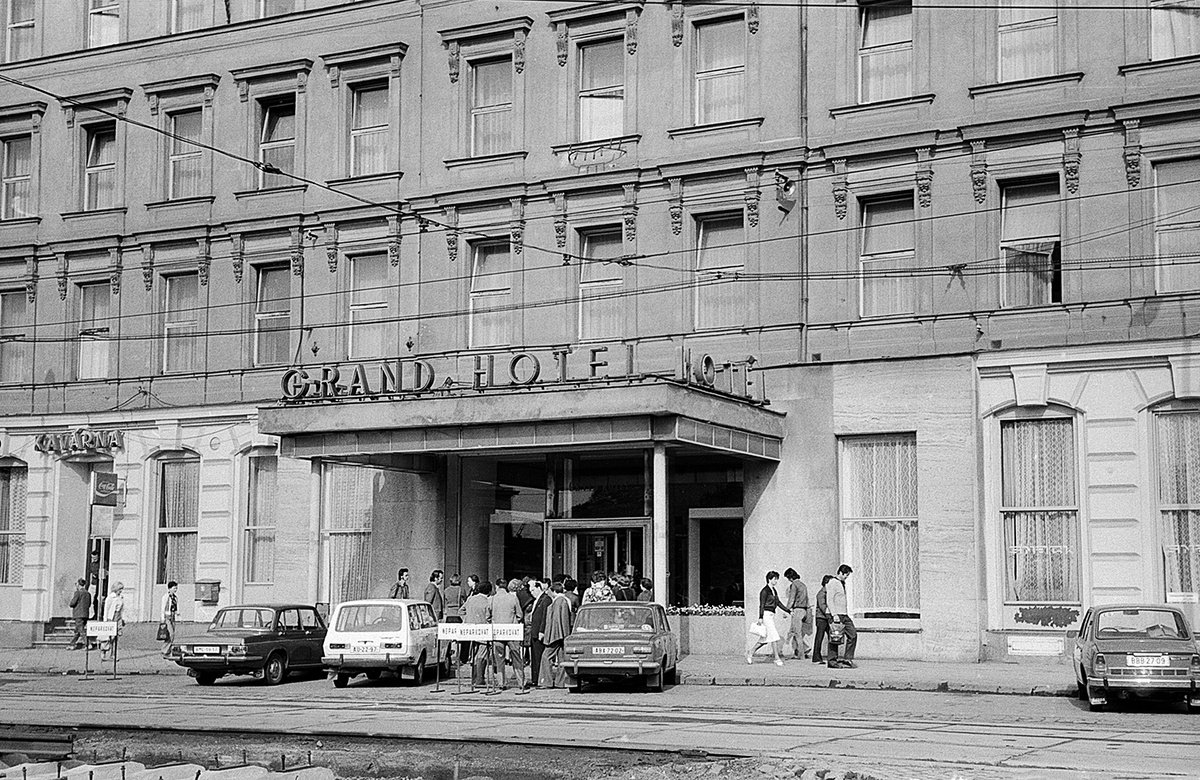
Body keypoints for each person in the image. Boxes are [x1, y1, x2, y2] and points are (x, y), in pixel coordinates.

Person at [746, 570, 788, 666]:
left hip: (771, 615)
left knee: (764, 640)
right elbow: (762, 604)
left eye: (777, 579)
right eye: (774, 579)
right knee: (774, 636)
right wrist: (760, 617)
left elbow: (778, 602)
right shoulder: (764, 591)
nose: (776, 581)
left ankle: (751, 652)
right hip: (766, 615)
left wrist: (788, 611)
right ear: (769, 579)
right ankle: (777, 658)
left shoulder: (774, 590)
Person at [491, 578, 527, 689]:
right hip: (512, 631)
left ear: (496, 586)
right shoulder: (513, 598)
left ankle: (501, 683)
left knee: (499, 659)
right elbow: (520, 614)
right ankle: (521, 682)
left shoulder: (492, 599)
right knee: (516, 657)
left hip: (497, 632)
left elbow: (488, 616)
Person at [539, 581, 573, 688]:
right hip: (560, 634)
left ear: (554, 591)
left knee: (546, 657)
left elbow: (557, 620)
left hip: (556, 635)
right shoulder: (563, 601)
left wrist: (553, 635)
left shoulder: (559, 601)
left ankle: (546, 681)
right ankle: (561, 682)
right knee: (562, 658)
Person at [826, 564, 857, 668]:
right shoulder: (833, 582)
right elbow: (829, 600)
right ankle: (832, 661)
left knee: (853, 634)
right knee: (835, 637)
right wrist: (834, 614)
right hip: (836, 614)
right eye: (845, 575)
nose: (846, 577)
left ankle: (848, 658)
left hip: (843, 614)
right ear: (840, 573)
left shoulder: (841, 583)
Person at [463, 579, 492, 686]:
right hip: (483, 632)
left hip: (471, 631)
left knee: (474, 656)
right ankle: (479, 679)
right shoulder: (488, 601)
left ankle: (474, 679)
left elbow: (461, 610)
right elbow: (488, 617)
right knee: (482, 656)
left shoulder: (470, 599)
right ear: (489, 591)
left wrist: (468, 619)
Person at [782, 568, 811, 659]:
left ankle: (801, 654)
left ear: (790, 577)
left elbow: (792, 599)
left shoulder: (794, 585)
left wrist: (786, 610)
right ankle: (800, 651)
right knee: (796, 631)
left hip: (797, 610)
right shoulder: (803, 585)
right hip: (804, 610)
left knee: (797, 633)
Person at [528, 578, 551, 687]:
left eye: (533, 590)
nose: (532, 593)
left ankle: (540, 679)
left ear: (538, 588)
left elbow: (545, 617)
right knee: (534, 657)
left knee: (539, 656)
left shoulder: (545, 599)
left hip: (539, 632)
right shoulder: (537, 599)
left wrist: (542, 631)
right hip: (534, 632)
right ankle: (535, 678)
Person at [101, 581, 126, 661]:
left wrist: (123, 618)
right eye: (119, 589)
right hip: (111, 618)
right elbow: (106, 609)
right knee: (108, 637)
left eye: (121, 589)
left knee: (116, 638)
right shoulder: (110, 597)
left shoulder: (121, 597)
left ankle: (113, 654)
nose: (121, 591)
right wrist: (105, 620)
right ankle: (104, 651)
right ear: (115, 589)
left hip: (118, 618)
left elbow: (122, 609)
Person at [812, 574, 833, 664]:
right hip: (822, 618)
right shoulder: (821, 593)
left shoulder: (828, 592)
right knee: (819, 637)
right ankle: (816, 657)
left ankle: (831, 657)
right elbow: (822, 606)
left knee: (831, 637)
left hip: (826, 617)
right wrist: (830, 615)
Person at [69, 578, 91, 650]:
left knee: (81, 630)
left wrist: (71, 603)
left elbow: (72, 603)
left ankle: (88, 644)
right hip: (85, 614)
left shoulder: (77, 593)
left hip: (78, 614)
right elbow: (89, 604)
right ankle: (72, 644)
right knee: (77, 630)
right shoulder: (88, 594)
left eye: (76, 584)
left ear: (78, 584)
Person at [160, 580, 179, 657]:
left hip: (173, 617)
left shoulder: (175, 597)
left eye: (176, 588)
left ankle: (167, 650)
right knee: (171, 634)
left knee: (171, 634)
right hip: (167, 617)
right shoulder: (166, 597)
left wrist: (178, 615)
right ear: (169, 588)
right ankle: (164, 650)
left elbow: (176, 608)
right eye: (174, 588)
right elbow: (163, 608)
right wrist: (162, 619)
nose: (175, 590)